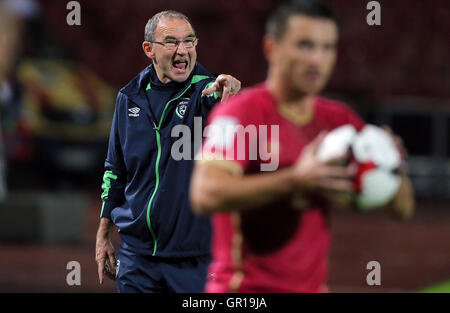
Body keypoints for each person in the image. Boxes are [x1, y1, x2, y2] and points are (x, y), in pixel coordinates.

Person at [190, 0, 415, 293]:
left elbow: (402, 209)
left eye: (327, 48)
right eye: (305, 45)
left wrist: (390, 163)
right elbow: (205, 194)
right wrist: (296, 179)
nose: (317, 59)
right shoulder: (240, 113)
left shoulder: (338, 120)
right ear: (272, 48)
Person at [95, 10, 241, 293]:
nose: (182, 51)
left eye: (189, 42)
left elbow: (230, 111)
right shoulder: (128, 97)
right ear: (149, 49)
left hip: (195, 262)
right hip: (137, 258)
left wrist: (230, 93)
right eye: (171, 42)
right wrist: (103, 234)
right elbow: (115, 170)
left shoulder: (207, 93)